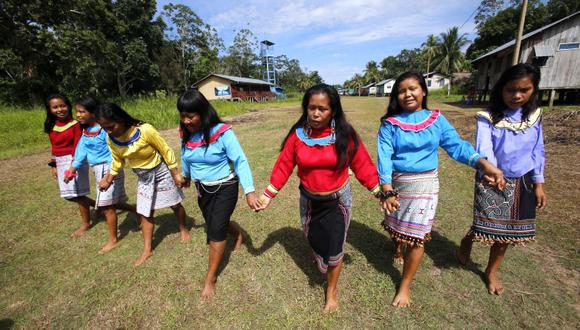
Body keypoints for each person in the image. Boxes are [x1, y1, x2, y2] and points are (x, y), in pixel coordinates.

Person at [376, 71, 505, 308]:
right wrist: (387, 187)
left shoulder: (436, 120)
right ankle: (397, 245)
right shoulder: (390, 124)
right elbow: (384, 156)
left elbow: (457, 147)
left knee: (417, 237)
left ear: (423, 91)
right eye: (402, 90)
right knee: (396, 225)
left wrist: (483, 163)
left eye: (413, 88)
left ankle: (404, 286)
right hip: (398, 183)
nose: (408, 94)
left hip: (425, 185)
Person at [256, 84, 380, 313]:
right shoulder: (298, 136)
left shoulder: (345, 135)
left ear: (333, 110)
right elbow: (283, 166)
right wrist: (267, 196)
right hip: (309, 201)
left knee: (334, 248)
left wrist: (379, 192)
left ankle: (331, 290)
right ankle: (322, 258)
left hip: (337, 201)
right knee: (313, 238)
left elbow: (363, 165)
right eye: (311, 108)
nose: (315, 113)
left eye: (322, 109)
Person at [458, 63, 547, 295]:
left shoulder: (535, 117)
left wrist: (539, 183)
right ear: (501, 89)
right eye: (510, 90)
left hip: (524, 180)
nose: (517, 95)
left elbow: (538, 150)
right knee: (484, 223)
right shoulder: (488, 116)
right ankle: (468, 240)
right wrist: (493, 172)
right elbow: (484, 147)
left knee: (508, 231)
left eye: (524, 90)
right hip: (491, 178)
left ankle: (491, 271)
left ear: (534, 90)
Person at [177, 89, 259, 300]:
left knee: (216, 229)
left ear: (203, 112)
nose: (186, 121)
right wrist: (185, 176)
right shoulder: (185, 133)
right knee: (214, 221)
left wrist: (249, 191)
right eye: (183, 115)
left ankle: (210, 278)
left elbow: (240, 161)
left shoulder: (222, 132)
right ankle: (238, 234)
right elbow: (185, 156)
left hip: (226, 186)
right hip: (202, 188)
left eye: (191, 116)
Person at [95, 102, 189, 266]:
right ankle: (147, 250)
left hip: (160, 171)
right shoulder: (111, 138)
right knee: (145, 212)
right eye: (104, 128)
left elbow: (165, 149)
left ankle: (183, 227)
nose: (108, 131)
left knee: (174, 204)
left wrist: (175, 174)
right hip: (143, 177)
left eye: (111, 126)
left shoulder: (144, 130)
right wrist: (108, 179)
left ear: (121, 119)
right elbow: (117, 161)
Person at [64, 96, 136, 253]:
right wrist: (72, 169)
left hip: (109, 169)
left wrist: (110, 174)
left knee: (106, 205)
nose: (78, 115)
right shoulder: (87, 131)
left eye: (82, 112)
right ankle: (136, 210)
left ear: (93, 112)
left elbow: (116, 153)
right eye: (77, 112)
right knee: (112, 202)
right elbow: (81, 151)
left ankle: (113, 239)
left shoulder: (105, 129)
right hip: (97, 169)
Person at [44, 93, 95, 237]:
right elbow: (54, 146)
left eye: (63, 106)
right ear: (50, 109)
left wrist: (74, 167)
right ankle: (101, 206)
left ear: (68, 106)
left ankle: (86, 223)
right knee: (69, 195)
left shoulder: (76, 125)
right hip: (60, 162)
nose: (60, 109)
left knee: (78, 194)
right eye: (55, 107)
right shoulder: (52, 125)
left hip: (74, 161)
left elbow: (78, 147)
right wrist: (54, 165)